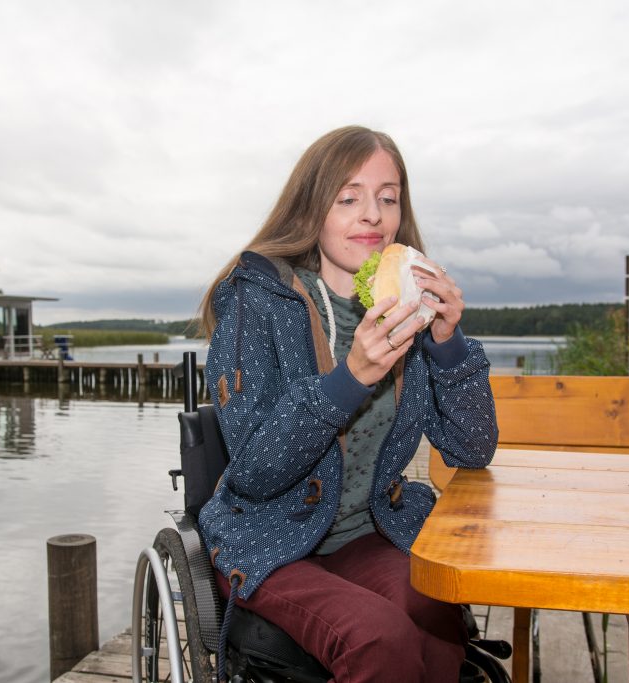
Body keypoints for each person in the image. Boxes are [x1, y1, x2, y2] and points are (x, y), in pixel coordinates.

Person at [197, 125, 499, 683]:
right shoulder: (255, 301)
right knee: (378, 640)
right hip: (269, 537)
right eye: (349, 197)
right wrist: (351, 377)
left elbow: (471, 448)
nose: (374, 215)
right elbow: (258, 471)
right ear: (312, 207)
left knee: (438, 621)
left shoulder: (406, 305)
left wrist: (450, 342)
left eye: (388, 197)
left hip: (368, 530)